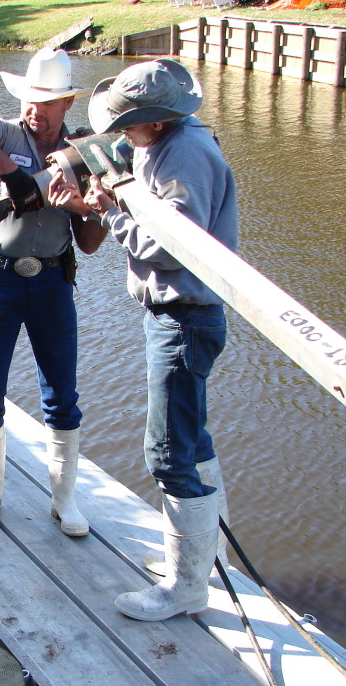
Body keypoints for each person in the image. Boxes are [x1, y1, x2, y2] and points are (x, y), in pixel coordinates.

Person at [49, 58, 239, 621]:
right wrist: (91, 186)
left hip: (183, 317)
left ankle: (186, 589)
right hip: (178, 315)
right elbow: (121, 169)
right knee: (192, 439)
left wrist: (107, 214)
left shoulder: (186, 156)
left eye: (129, 125)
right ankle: (204, 562)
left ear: (154, 123)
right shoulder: (172, 141)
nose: (123, 135)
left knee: (167, 453)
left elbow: (170, 245)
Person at [0, 48, 106, 537]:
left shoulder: (83, 154)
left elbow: (92, 244)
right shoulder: (2, 133)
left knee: (62, 395)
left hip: (54, 282)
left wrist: (84, 206)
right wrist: (12, 175)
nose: (38, 109)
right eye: (32, 99)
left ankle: (64, 499)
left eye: (49, 101)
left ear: (68, 102)